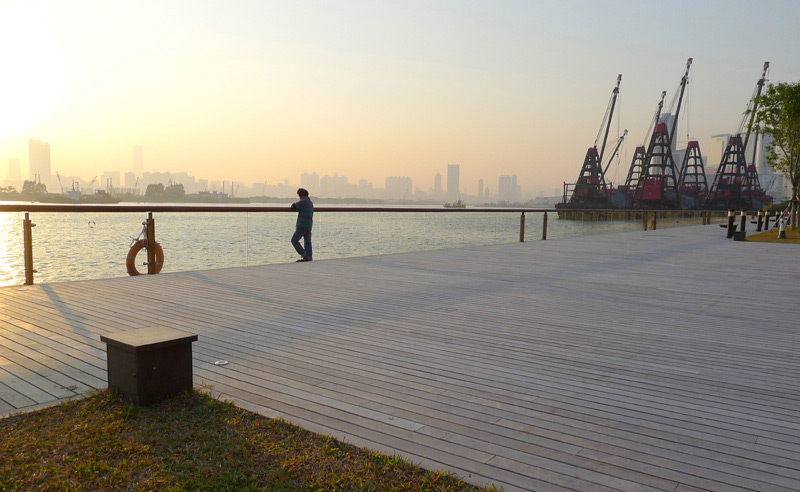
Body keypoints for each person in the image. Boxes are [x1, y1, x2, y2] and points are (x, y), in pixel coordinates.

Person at [290, 188, 313, 262]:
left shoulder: (303, 202)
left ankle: (304, 254)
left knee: (294, 240)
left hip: (302, 225)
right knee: (307, 241)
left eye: (299, 196)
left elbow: (294, 206)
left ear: (301, 196)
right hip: (309, 225)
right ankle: (309, 256)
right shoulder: (310, 202)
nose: (299, 198)